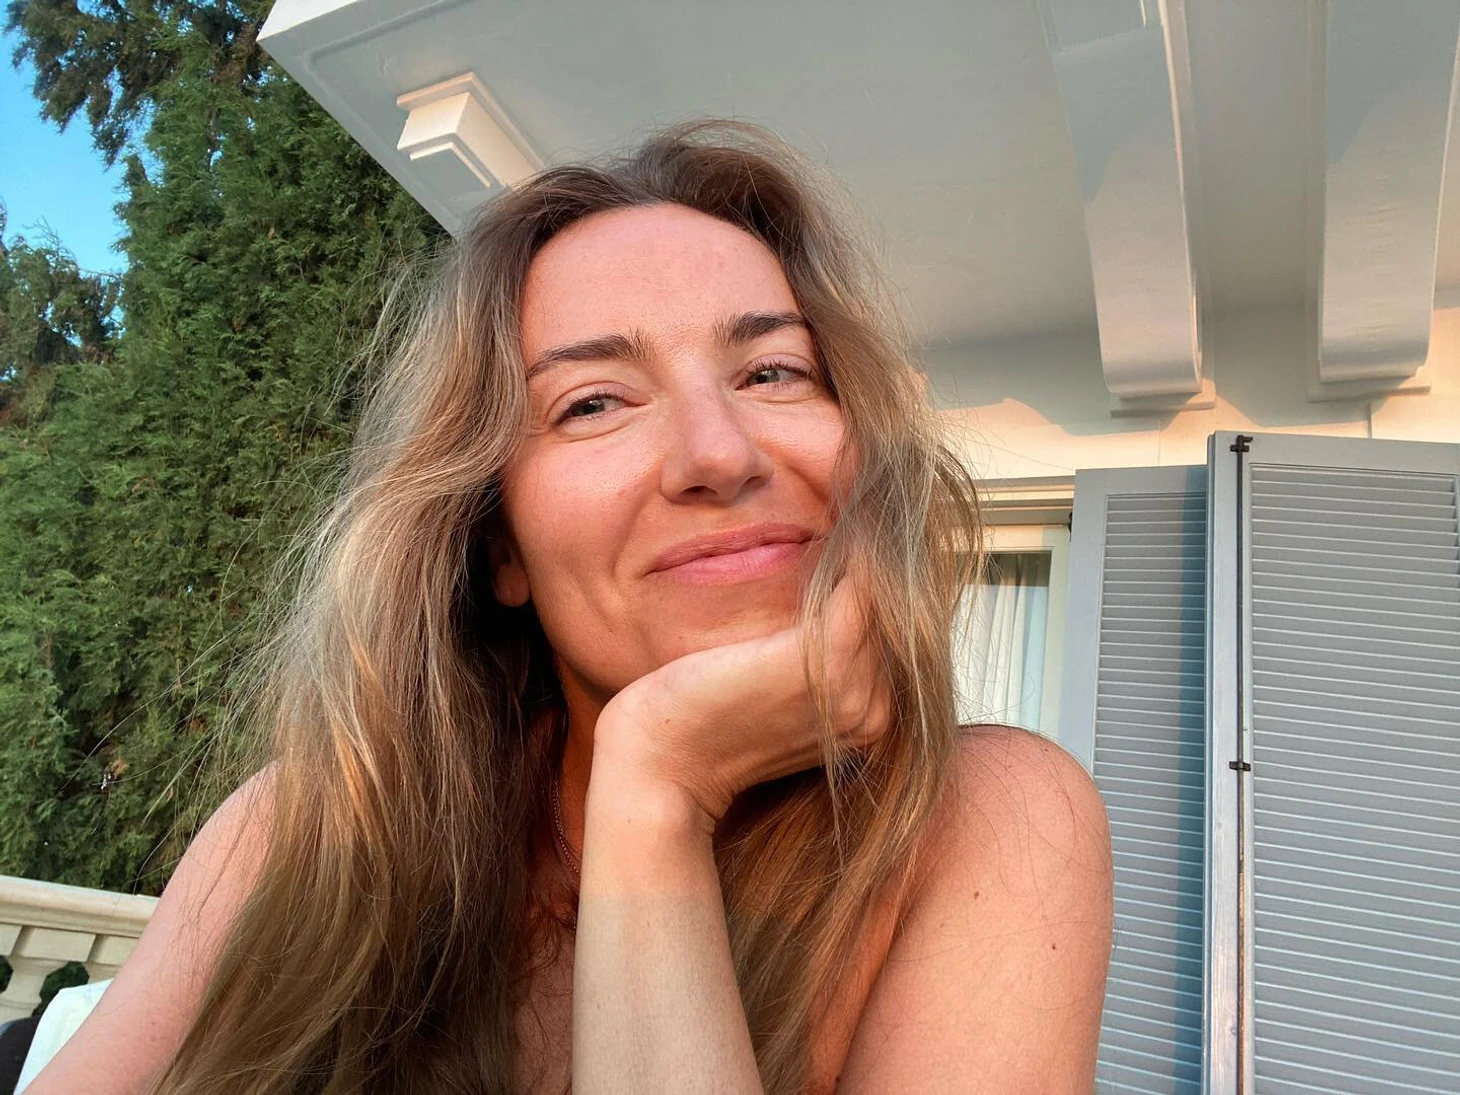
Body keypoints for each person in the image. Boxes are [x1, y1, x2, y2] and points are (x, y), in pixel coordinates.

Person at [21, 118, 1113, 1094]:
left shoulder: (990, 821)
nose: (720, 453)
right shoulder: (309, 828)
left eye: (774, 372)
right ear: (498, 546)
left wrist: (657, 790)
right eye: (593, 402)